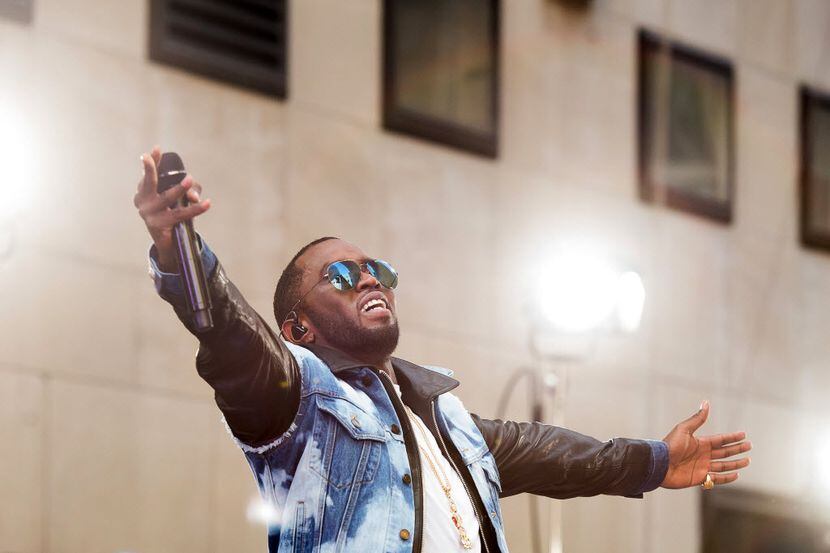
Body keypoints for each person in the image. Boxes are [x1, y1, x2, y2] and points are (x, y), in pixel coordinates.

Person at [134, 147, 752, 553]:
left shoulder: (444, 418)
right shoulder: (298, 405)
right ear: (298, 330)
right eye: (341, 277)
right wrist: (178, 252)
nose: (369, 279)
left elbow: (555, 456)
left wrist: (653, 461)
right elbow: (230, 334)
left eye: (374, 268)